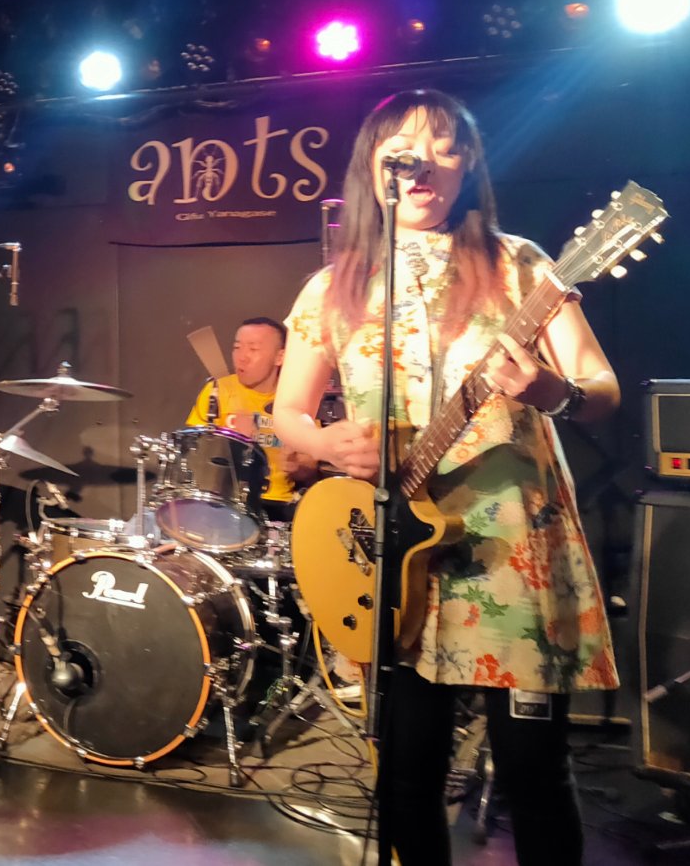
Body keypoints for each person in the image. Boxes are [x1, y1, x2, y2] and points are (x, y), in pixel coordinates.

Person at [271, 90, 620, 865]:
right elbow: (286, 411)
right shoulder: (334, 286)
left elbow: (602, 387)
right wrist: (326, 442)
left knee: (533, 772)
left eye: (444, 146)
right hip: (397, 554)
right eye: (402, 147)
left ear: (469, 166)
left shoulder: (520, 265)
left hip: (512, 548)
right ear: (373, 166)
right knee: (406, 773)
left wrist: (550, 391)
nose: (422, 163)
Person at [185, 317, 317, 518]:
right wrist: (229, 442)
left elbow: (312, 467)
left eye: (253, 349)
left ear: (280, 357)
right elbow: (192, 452)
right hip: (224, 502)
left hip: (278, 507)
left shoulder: (296, 398)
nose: (242, 357)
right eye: (237, 348)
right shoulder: (217, 391)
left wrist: (297, 466)